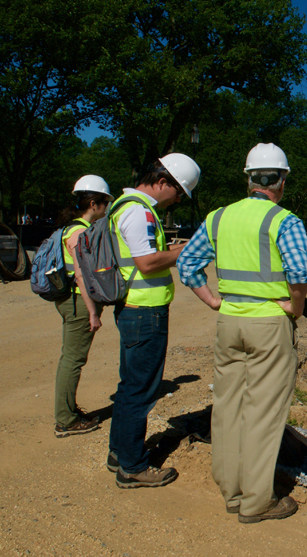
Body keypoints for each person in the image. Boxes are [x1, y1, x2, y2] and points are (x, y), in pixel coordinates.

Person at [177, 143, 307, 523]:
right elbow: (301, 272)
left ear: (249, 177)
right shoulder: (284, 221)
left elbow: (188, 264)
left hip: (229, 323)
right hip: (269, 325)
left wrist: (213, 301)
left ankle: (231, 490)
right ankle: (257, 501)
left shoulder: (218, 218)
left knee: (227, 408)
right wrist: (296, 307)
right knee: (263, 413)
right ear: (281, 180)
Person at [105, 153, 201, 489]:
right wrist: (186, 251)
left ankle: (120, 451)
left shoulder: (124, 205)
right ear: (163, 182)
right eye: (178, 193)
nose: (176, 201)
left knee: (129, 385)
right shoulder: (139, 210)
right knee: (141, 390)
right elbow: (147, 263)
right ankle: (132, 467)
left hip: (134, 309)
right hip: (145, 312)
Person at [53, 175, 114, 438]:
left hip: (73, 299)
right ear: (93, 203)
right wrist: (92, 312)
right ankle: (65, 419)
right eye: (105, 204)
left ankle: (68, 411)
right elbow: (80, 273)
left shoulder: (72, 228)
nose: (106, 209)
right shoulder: (79, 233)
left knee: (72, 357)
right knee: (73, 359)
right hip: (79, 301)